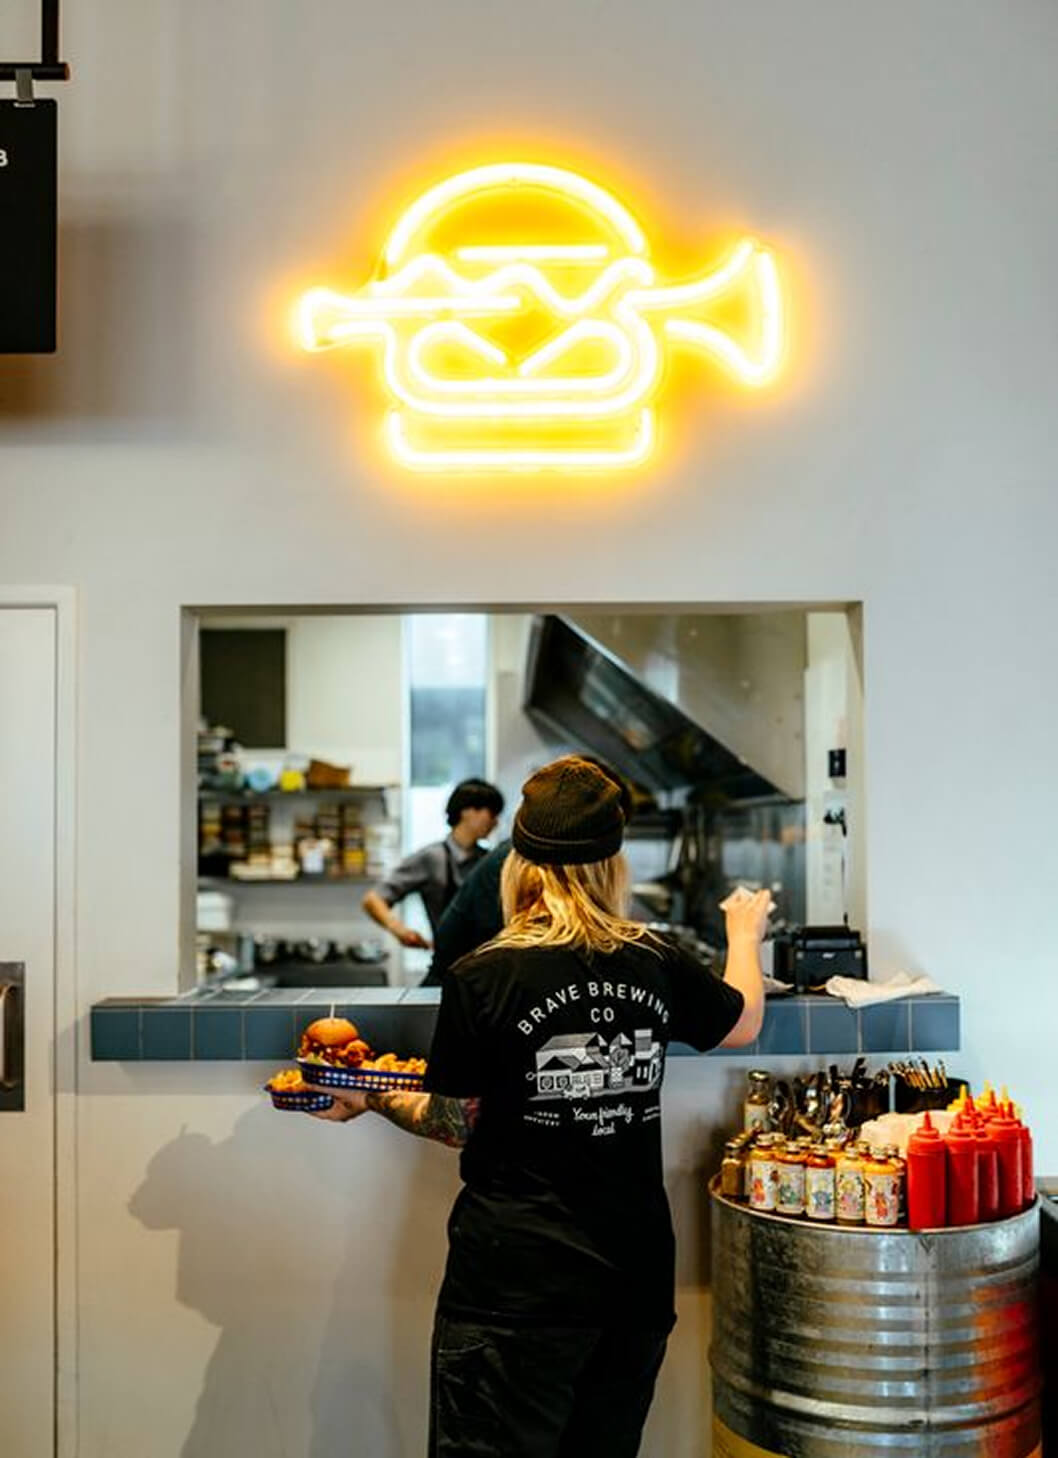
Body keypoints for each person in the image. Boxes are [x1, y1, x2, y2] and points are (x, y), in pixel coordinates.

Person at [307, 755, 767, 1458]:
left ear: (519, 862)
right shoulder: (655, 959)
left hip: (514, 1292)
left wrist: (370, 1096)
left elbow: (456, 1119)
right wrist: (744, 936)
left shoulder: (483, 975)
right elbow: (740, 1022)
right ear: (613, 868)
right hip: (632, 1287)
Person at [362, 778, 504, 950]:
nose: (496, 822)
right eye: (492, 814)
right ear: (468, 811)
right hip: (448, 967)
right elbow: (373, 899)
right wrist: (401, 931)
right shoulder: (432, 858)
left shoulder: (489, 860)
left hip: (487, 963)